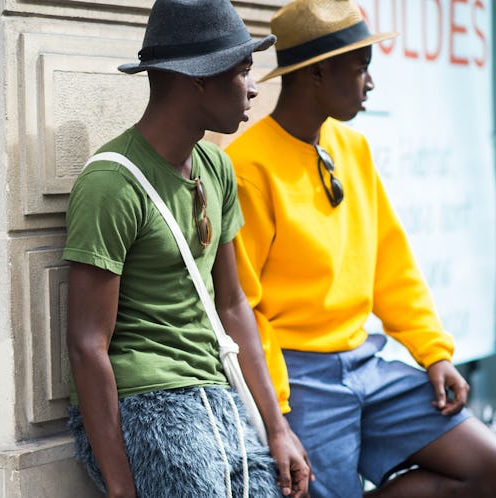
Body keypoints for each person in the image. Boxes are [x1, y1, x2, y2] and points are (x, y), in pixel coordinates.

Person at [225, 0, 496, 496]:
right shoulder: (246, 168)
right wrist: (276, 415)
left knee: (494, 466)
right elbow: (242, 307)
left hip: (368, 360)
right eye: (360, 68)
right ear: (317, 74)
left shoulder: (353, 148)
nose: (371, 82)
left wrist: (433, 353)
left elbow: (390, 261)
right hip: (300, 378)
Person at [63, 1, 312, 497]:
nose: (255, 86)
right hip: (148, 407)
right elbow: (87, 344)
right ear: (199, 79)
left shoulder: (216, 168)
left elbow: (234, 303)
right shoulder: (111, 182)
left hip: (218, 393)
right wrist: (120, 487)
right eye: (243, 71)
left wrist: (278, 428)